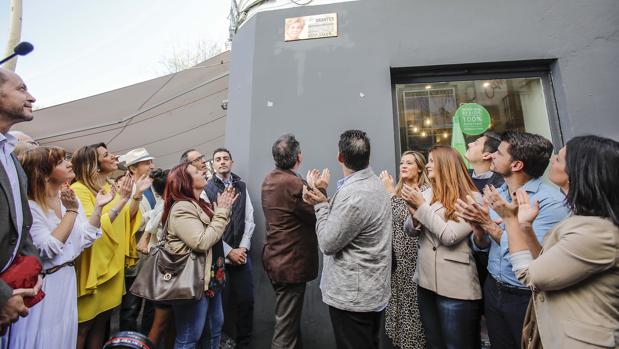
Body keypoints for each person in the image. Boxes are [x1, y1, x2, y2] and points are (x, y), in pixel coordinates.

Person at [485, 135, 619, 348]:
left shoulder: (598, 231)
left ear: (579, 171)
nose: (552, 159)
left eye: (560, 158)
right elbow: (545, 260)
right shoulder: (581, 219)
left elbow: (531, 275)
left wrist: (511, 221)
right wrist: (527, 229)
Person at [455, 131, 570, 349]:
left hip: (525, 295)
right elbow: (483, 247)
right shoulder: (497, 193)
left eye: (499, 153)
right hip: (494, 287)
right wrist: (479, 232)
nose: (493, 156)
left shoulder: (549, 202)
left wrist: (489, 225)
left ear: (516, 165)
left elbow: (530, 255)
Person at [6, 146, 114, 348]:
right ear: (43, 173)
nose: (69, 163)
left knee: (64, 336)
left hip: (67, 279)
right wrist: (71, 212)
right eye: (60, 162)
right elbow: (48, 248)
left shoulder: (66, 198)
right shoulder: (30, 207)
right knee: (41, 338)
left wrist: (98, 208)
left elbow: (85, 237)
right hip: (44, 283)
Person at [302, 130, 392, 349]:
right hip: (371, 290)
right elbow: (353, 219)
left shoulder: (355, 194)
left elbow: (327, 243)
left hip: (354, 297)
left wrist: (320, 206)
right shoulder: (375, 183)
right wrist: (324, 196)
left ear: (340, 157)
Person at [400, 145, 481, 349]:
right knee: (434, 343)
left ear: (446, 165)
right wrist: (413, 214)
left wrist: (421, 208)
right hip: (426, 283)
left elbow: (450, 236)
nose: (427, 165)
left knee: (458, 345)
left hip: (455, 287)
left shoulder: (471, 197)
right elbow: (410, 231)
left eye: (432, 161)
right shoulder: (427, 193)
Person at [71, 143, 151, 349]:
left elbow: (127, 217)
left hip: (112, 263)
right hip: (93, 265)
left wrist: (136, 195)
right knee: (83, 327)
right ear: (94, 165)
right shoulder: (78, 190)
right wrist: (122, 199)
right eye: (107, 155)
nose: (115, 156)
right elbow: (93, 228)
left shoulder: (108, 187)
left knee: (102, 324)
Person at [163, 162, 236, 348]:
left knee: (214, 331)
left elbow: (215, 234)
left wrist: (223, 212)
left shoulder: (199, 204)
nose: (203, 171)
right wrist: (221, 213)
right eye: (196, 171)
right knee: (189, 336)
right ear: (185, 181)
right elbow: (201, 242)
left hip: (211, 279)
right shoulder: (182, 208)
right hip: (193, 282)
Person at [261, 134, 321, 349]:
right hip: (290, 264)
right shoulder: (295, 183)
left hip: (275, 259)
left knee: (289, 321)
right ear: (299, 157)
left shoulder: (269, 179)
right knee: (286, 328)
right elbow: (317, 213)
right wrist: (318, 188)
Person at [0, 67, 41, 327]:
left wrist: (33, 265)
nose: (32, 97)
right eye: (21, 88)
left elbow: (21, 223)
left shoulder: (11, 157)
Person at [204, 148, 255, 348]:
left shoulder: (241, 186)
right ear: (213, 165)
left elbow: (249, 219)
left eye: (226, 158)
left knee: (246, 303)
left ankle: (244, 344)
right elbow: (207, 226)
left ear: (231, 162)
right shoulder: (206, 189)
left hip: (242, 256)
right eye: (218, 159)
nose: (222, 162)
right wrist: (228, 252)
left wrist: (242, 248)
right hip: (218, 258)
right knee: (220, 307)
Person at [379, 151, 429, 349]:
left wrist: (390, 193)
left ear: (420, 168)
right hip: (395, 261)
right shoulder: (398, 190)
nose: (403, 166)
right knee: (397, 308)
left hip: (414, 259)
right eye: (401, 162)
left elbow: (405, 218)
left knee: (412, 310)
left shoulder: (425, 190)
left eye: (409, 162)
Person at [118, 148, 156, 333]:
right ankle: (127, 341)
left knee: (151, 303)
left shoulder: (152, 186)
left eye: (151, 162)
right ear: (133, 168)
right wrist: (156, 216)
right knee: (131, 306)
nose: (151, 165)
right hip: (135, 254)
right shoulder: (125, 188)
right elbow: (130, 219)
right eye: (146, 163)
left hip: (151, 253)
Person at [140, 168, 175, 347]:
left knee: (167, 320)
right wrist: (146, 236)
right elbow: (152, 224)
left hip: (165, 266)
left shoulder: (165, 203)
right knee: (160, 320)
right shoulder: (166, 204)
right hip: (165, 266)